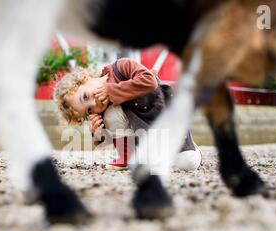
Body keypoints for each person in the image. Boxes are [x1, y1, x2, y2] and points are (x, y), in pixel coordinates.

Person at [54, 58, 202, 171]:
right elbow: (113, 139)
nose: (94, 104)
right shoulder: (106, 111)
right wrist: (98, 133)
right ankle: (128, 159)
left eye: (85, 96)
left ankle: (194, 149)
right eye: (89, 111)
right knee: (111, 115)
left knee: (188, 162)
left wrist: (111, 90)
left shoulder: (121, 67)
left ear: (84, 78)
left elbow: (149, 81)